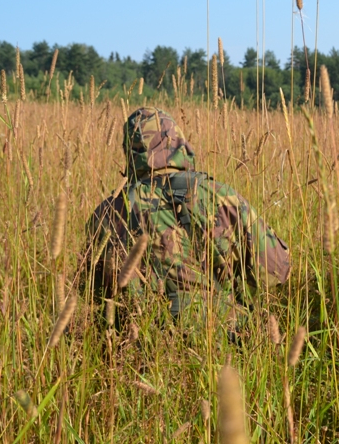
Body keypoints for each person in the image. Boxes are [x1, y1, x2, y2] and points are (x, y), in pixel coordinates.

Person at [83, 107, 290, 331]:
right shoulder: (220, 195)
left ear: (130, 152)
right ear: (178, 143)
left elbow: (94, 293)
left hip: (139, 342)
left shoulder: (108, 211)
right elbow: (276, 269)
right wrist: (237, 296)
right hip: (224, 337)